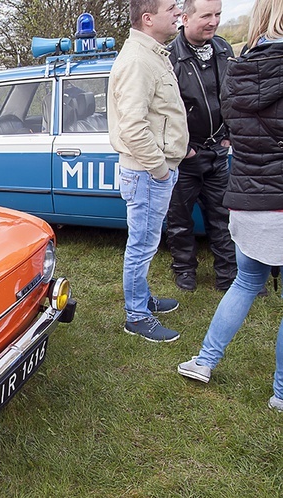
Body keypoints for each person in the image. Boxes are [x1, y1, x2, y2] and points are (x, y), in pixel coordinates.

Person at [177, 0, 283, 411]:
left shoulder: (238, 69)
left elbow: (232, 128)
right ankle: (280, 393)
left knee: (245, 281)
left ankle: (204, 360)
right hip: (273, 196)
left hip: (247, 197)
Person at [107, 0, 189, 342]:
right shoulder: (138, 60)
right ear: (148, 17)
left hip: (152, 171)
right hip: (146, 172)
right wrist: (159, 170)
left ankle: (143, 299)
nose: (178, 13)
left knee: (147, 243)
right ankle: (136, 316)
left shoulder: (153, 54)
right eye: (171, 7)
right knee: (141, 245)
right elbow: (133, 127)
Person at [165, 0, 237, 292]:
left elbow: (233, 95)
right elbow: (162, 111)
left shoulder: (223, 49)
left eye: (218, 14)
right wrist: (183, 149)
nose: (214, 21)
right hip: (185, 154)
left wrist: (229, 134)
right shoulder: (169, 57)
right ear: (185, 17)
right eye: (206, 15)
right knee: (180, 220)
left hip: (218, 151)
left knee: (223, 217)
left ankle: (229, 276)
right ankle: (184, 271)